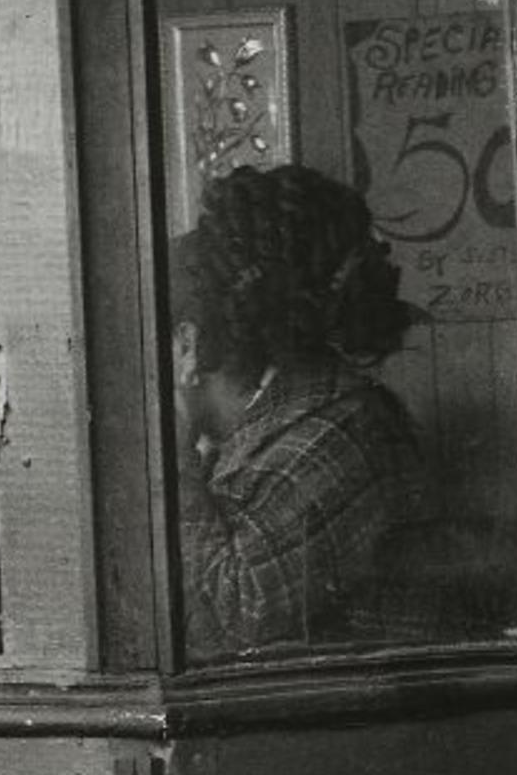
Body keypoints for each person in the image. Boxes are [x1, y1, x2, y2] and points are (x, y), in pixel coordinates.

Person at [169, 160, 443, 656]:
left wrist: (164, 458)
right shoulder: (284, 422)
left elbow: (224, 627)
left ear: (187, 346)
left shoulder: (344, 429)